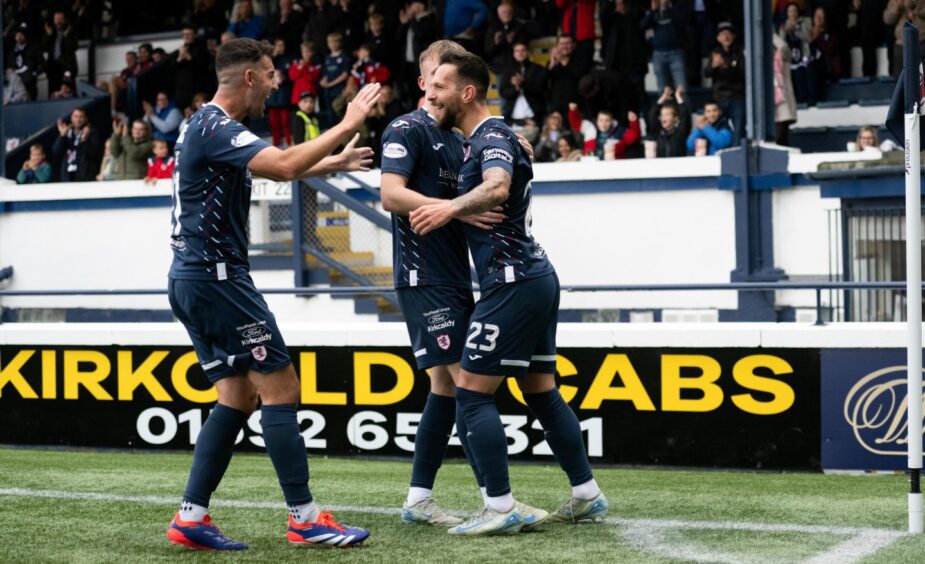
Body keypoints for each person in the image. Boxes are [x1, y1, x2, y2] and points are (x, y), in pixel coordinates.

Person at [165, 37, 380, 551]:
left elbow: (273, 165)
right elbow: (282, 166)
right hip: (218, 278)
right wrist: (347, 122)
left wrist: (331, 164)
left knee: (236, 395)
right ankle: (305, 519)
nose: (277, 82)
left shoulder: (205, 123)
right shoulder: (219, 126)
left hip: (191, 276)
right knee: (281, 387)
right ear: (248, 78)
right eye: (270, 74)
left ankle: (191, 518)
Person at [410, 49, 607, 536]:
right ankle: (587, 494)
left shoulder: (493, 137)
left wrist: (447, 209)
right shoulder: (488, 137)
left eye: (439, 86)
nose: (429, 94)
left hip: (512, 281)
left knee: (471, 393)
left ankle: (499, 507)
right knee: (541, 391)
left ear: (467, 92)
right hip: (534, 277)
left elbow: (497, 187)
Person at [704, 22, 746, 144]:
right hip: (720, 98)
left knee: (739, 131)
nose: (726, 37)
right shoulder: (715, 53)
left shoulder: (740, 52)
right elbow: (706, 73)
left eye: (728, 34)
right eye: (723, 34)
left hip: (737, 98)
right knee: (719, 130)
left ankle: (739, 157)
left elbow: (743, 73)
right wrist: (714, 65)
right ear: (718, 38)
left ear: (733, 36)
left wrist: (725, 67)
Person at [641, 0, 690, 92]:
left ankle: (684, 106)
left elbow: (681, 23)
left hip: (676, 52)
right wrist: (653, 11)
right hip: (658, 53)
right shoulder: (654, 10)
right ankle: (665, 106)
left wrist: (668, 9)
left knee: (682, 87)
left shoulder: (679, 6)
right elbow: (642, 26)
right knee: (662, 88)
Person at [498, 42, 548, 125]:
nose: (520, 53)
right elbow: (503, 92)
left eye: (523, 50)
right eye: (517, 51)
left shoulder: (538, 69)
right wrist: (515, 88)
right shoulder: (507, 70)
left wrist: (522, 84)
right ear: (513, 54)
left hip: (535, 116)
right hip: (512, 118)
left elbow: (541, 90)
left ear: (528, 52)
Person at [569, 105, 641, 159]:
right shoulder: (590, 130)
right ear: (597, 121)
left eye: (607, 120)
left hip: (613, 167)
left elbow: (633, 137)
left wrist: (633, 122)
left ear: (612, 122)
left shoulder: (619, 132)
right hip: (591, 166)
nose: (603, 123)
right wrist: (573, 110)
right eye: (601, 120)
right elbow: (576, 123)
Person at [52, 107, 102, 182]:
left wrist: (84, 140)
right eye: (76, 116)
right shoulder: (66, 132)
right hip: (67, 176)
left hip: (85, 176)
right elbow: (56, 151)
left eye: (81, 117)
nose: (78, 120)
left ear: (85, 118)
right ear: (71, 118)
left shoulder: (91, 132)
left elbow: (95, 153)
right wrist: (62, 136)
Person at [647, 86, 691, 157]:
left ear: (675, 118)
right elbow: (652, 114)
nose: (663, 117)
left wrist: (678, 96)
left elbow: (685, 115)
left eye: (667, 114)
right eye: (662, 115)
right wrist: (663, 97)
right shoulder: (658, 132)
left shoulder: (681, 132)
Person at [42, 10, 78, 95]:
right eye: (56, 19)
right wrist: (49, 35)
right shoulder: (50, 31)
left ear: (64, 20)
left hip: (67, 70)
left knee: (67, 93)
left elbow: (74, 47)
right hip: (53, 69)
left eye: (60, 19)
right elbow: (43, 47)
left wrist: (66, 37)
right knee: (54, 95)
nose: (58, 22)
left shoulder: (70, 31)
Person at [319, 32, 350, 127]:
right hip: (328, 92)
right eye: (330, 42)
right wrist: (323, 82)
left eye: (335, 42)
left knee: (339, 115)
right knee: (330, 116)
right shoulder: (327, 58)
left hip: (339, 91)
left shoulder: (343, 57)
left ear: (339, 43)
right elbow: (325, 74)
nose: (333, 45)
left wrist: (331, 84)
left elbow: (345, 74)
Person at [267, 38, 293, 147]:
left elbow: (292, 76)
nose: (280, 47)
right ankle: (276, 146)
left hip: (284, 95)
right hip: (273, 96)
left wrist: (284, 77)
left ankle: (289, 145)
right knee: (274, 124)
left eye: (282, 45)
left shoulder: (289, 59)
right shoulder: (270, 60)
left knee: (285, 122)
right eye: (278, 45)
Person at [7, 23, 42, 101]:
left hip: (30, 85)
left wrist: (34, 73)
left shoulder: (33, 48)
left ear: (25, 36)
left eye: (21, 35)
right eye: (17, 35)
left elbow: (43, 64)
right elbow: (9, 66)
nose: (19, 37)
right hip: (16, 87)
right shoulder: (13, 51)